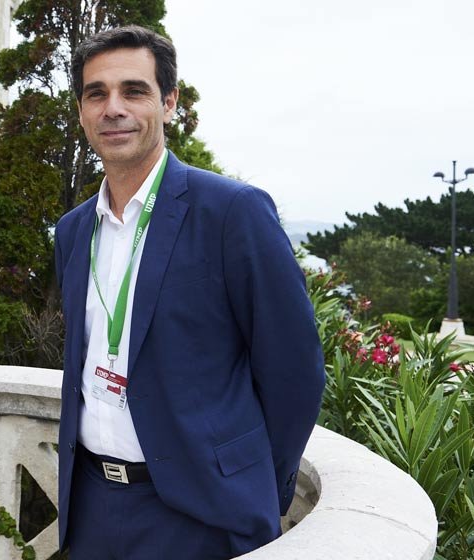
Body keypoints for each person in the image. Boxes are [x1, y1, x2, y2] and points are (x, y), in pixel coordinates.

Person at [53, 26, 325, 559]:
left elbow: (295, 370)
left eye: (134, 91)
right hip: (90, 509)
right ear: (83, 111)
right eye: (96, 93)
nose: (113, 108)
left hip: (199, 516)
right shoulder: (73, 231)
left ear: (169, 102)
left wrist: (250, 488)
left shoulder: (232, 212)